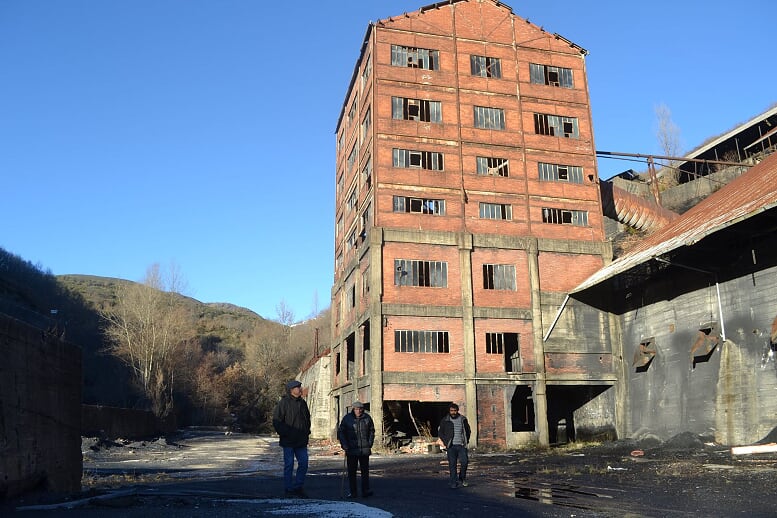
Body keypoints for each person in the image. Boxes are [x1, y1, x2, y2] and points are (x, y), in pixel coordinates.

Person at [273, 380, 311, 496]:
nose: (300, 389)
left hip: (301, 440)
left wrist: (306, 432)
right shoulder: (283, 403)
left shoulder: (303, 403)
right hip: (288, 441)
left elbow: (307, 419)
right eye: (298, 387)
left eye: (300, 387)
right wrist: (286, 433)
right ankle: (288, 489)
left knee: (304, 463)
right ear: (291, 390)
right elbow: (276, 421)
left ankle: (298, 486)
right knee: (289, 465)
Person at [337, 400, 375, 498]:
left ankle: (365, 490)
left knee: (365, 472)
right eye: (356, 409)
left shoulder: (367, 418)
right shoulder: (347, 419)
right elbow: (341, 432)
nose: (358, 411)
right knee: (352, 472)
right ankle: (353, 492)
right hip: (351, 449)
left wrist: (369, 443)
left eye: (360, 409)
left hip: (364, 449)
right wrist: (344, 444)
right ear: (353, 409)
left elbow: (372, 431)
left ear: (363, 409)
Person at [437, 402, 471, 489]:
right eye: (451, 411)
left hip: (461, 446)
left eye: (455, 411)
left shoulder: (463, 419)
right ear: (449, 411)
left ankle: (462, 478)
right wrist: (445, 442)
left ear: (457, 411)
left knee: (464, 462)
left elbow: (468, 431)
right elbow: (440, 432)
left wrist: (466, 440)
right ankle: (453, 482)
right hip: (451, 446)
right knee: (452, 465)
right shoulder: (445, 420)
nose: (453, 412)